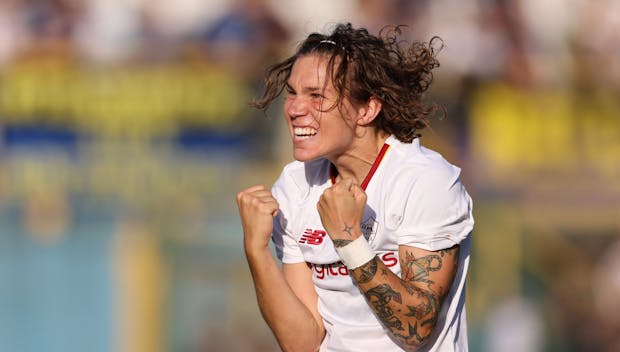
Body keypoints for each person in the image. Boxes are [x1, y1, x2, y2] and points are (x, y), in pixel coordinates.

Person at [236, 23, 474, 351]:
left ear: (367, 109)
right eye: (292, 93)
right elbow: (303, 343)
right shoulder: (294, 185)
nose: (293, 109)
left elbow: (416, 328)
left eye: (316, 96)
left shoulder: (425, 181)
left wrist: (349, 240)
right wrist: (256, 250)